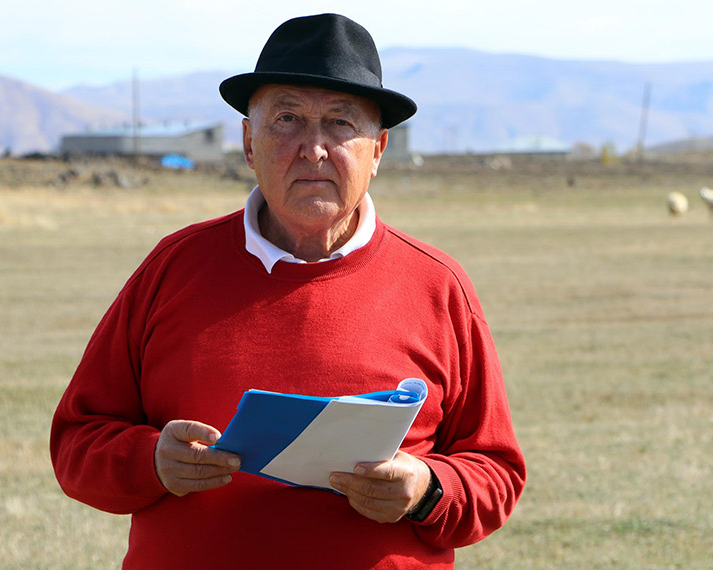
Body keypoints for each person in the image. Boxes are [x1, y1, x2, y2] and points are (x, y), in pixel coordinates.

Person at [50, 13, 525, 569]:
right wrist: (151, 461)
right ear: (249, 142)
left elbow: (496, 471)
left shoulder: (437, 285)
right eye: (288, 118)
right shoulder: (173, 268)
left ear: (379, 150)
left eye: (341, 124)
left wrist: (427, 489)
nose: (313, 148)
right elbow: (77, 442)